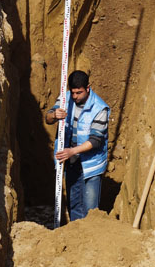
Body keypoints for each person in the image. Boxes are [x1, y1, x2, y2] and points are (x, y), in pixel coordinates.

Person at [46, 70, 110, 221]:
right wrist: (54, 115)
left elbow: (95, 140)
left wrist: (71, 151)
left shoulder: (100, 108)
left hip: (92, 163)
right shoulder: (65, 98)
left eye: (79, 93)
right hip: (72, 161)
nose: (75, 97)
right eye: (73, 92)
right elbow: (48, 118)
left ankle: (90, 238)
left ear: (88, 88)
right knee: (74, 203)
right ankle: (76, 239)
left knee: (90, 209)